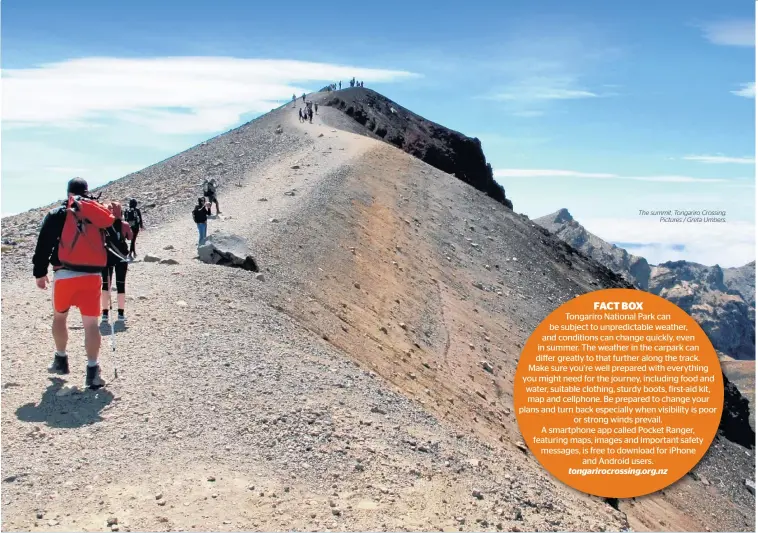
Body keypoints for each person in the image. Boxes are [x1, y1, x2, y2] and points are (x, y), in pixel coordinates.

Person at [32, 177, 115, 389]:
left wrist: (40, 273)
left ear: (68, 192)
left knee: (60, 317)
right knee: (91, 324)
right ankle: (92, 371)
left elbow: (44, 245)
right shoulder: (96, 213)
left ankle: (61, 360)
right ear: (87, 191)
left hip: (64, 275)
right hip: (92, 276)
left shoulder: (59, 213)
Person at [101, 201, 133, 324]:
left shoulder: (102, 225)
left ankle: (105, 314)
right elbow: (129, 237)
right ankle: (120, 314)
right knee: (120, 285)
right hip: (121, 258)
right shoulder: (124, 224)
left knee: (105, 285)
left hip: (107, 258)